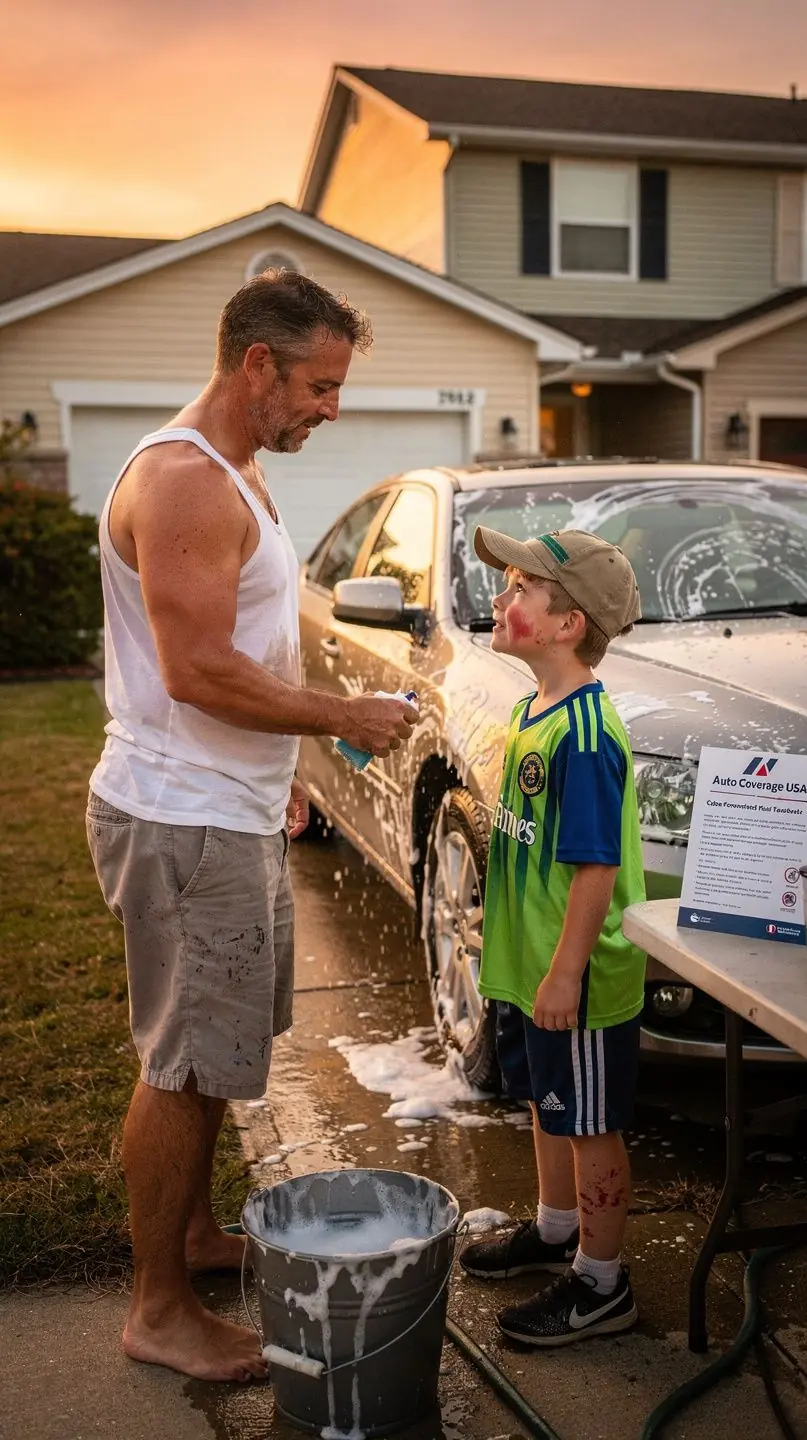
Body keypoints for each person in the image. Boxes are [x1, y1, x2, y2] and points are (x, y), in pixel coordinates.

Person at [85, 269, 419, 1383]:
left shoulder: (239, 471)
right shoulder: (184, 481)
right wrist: (342, 717)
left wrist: (281, 770)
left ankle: (187, 1239)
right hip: (180, 820)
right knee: (183, 1062)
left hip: (222, 807)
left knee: (216, 1047)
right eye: (319, 386)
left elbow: (240, 656)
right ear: (257, 365)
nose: (332, 408)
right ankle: (158, 1310)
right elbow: (196, 671)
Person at [459, 526, 646, 1347]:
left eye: (518, 590)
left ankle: (604, 1285)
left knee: (592, 1121)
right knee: (548, 1101)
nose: (500, 600)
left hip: (579, 976)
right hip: (533, 967)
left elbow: (595, 868)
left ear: (568, 623)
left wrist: (567, 972)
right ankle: (555, 1226)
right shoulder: (537, 707)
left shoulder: (589, 735)